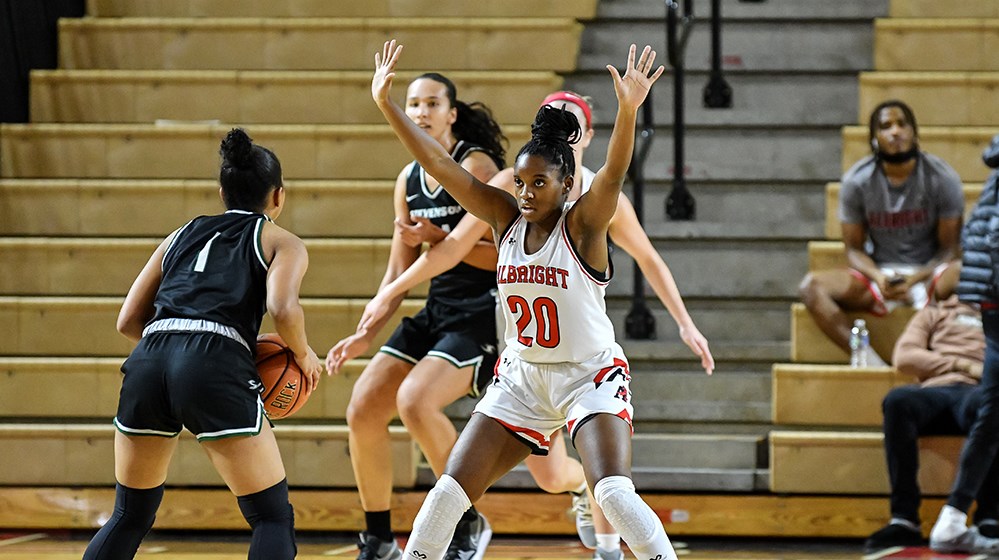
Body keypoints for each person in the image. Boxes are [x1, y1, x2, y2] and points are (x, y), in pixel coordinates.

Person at [356, 89, 714, 560]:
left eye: (539, 183)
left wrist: (628, 111)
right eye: (521, 182)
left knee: (613, 494)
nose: (525, 193)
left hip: (588, 376)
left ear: (567, 186)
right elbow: (443, 166)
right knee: (445, 497)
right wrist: (387, 106)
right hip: (521, 379)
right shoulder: (505, 218)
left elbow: (614, 172)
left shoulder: (585, 226)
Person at [83, 128, 324, 560]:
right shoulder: (279, 240)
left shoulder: (181, 233)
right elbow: (283, 309)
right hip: (214, 362)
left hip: (149, 358)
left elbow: (127, 321)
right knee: (271, 517)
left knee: (129, 515)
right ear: (278, 198)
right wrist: (304, 357)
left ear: (222, 192)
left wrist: (177, 345)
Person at [325, 71, 506, 560]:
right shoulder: (407, 180)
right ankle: (380, 537)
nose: (422, 112)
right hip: (437, 308)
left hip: (483, 312)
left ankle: (466, 520)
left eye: (431, 103)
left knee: (416, 401)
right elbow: (396, 271)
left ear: (452, 113)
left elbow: (502, 254)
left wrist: (439, 242)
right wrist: (365, 331)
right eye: (414, 103)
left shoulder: (477, 164)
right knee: (363, 408)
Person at [799, 99, 964, 366]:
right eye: (886, 126)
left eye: (902, 124)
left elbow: (950, 250)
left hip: (930, 273)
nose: (895, 131)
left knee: (966, 273)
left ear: (914, 132)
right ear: (874, 138)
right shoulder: (857, 181)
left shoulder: (941, 177)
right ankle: (867, 358)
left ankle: (956, 356)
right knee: (811, 287)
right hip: (880, 274)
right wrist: (878, 276)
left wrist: (914, 279)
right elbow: (853, 249)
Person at [863, 265, 998, 553]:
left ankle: (989, 516)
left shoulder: (994, 316)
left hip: (977, 392)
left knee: (994, 405)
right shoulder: (932, 314)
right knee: (898, 400)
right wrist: (959, 364)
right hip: (934, 391)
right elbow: (904, 356)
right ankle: (904, 519)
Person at [927, 141, 999, 554]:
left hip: (990, 304)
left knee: (991, 415)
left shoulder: (994, 174)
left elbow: (979, 236)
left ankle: (952, 520)